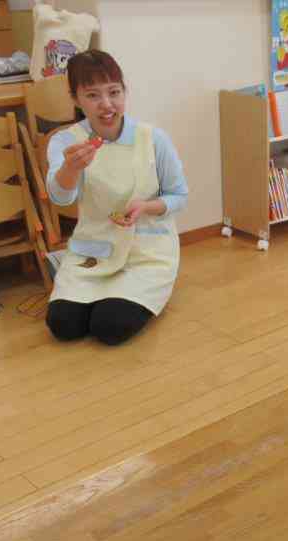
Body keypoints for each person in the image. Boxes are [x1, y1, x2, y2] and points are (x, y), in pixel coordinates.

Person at [45, 50, 188, 345]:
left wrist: (148, 206)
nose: (107, 104)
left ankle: (135, 292)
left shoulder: (153, 138)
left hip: (146, 251)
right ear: (76, 99)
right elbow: (60, 198)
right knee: (63, 325)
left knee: (109, 327)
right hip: (94, 250)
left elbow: (179, 195)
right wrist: (70, 169)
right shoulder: (66, 142)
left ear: (125, 91)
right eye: (93, 95)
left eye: (114, 92)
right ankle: (93, 291)